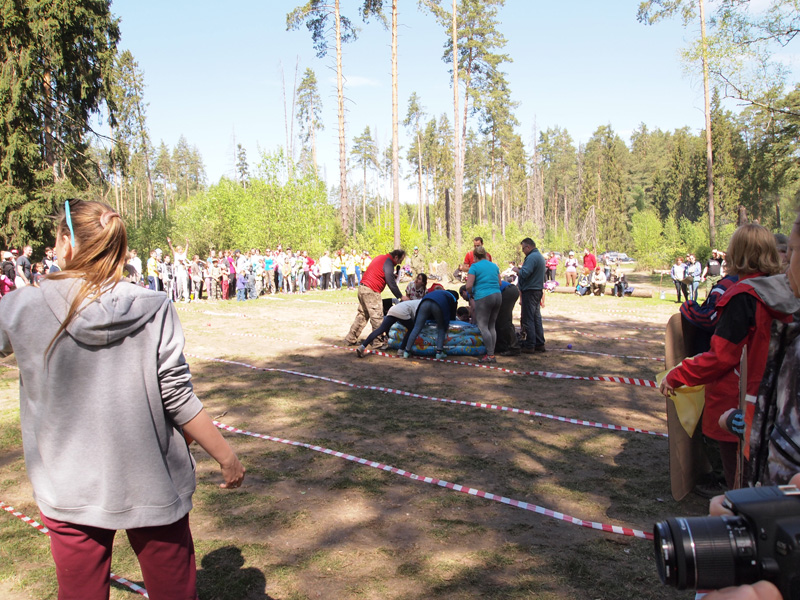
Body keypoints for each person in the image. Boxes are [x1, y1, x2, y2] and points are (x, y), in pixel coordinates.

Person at [0, 199, 245, 599]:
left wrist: (226, 457)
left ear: (65, 242)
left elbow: (176, 394)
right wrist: (227, 457)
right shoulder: (154, 306)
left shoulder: (21, 307)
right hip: (149, 480)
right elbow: (178, 396)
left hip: (69, 485)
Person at [660, 223, 797, 488]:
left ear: (736, 253)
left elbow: (722, 356)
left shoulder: (742, 297)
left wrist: (678, 374)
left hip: (740, 404)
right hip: (776, 403)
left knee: (741, 484)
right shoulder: (786, 291)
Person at [344, 249, 406, 347]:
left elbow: (380, 273)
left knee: (362, 315)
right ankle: (378, 342)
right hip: (371, 291)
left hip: (362, 288)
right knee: (377, 317)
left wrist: (390, 275)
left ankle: (350, 338)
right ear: (396, 257)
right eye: (400, 261)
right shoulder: (389, 263)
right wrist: (400, 296)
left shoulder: (381, 258)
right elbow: (391, 283)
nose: (400, 263)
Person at [466, 245, 502, 363]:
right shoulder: (494, 265)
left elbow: (469, 285)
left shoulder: (474, 266)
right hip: (497, 295)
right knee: (492, 325)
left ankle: (490, 355)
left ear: (475, 256)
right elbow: (500, 283)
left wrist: (471, 294)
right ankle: (491, 353)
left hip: (483, 297)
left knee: (483, 326)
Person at [403, 288, 459, 360]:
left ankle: (406, 351)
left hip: (425, 301)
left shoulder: (440, 292)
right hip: (438, 304)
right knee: (441, 328)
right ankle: (439, 353)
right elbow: (452, 315)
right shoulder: (453, 298)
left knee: (417, 327)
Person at [356, 299, 422, 358]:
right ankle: (401, 350)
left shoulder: (415, 301)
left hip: (393, 310)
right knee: (411, 329)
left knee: (380, 329)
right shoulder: (421, 304)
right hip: (403, 312)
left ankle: (362, 346)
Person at [514, 237, 546, 353]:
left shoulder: (532, 257)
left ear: (528, 247)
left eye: (523, 249)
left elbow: (525, 273)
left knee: (529, 318)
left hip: (530, 291)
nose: (523, 251)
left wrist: (517, 270)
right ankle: (539, 342)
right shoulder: (539, 256)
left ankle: (530, 344)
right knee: (536, 317)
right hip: (537, 290)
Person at [495, 280, 521, 356]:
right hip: (509, 289)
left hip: (508, 291)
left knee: (504, 321)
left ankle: (514, 347)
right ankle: (502, 345)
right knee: (499, 319)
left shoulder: (470, 291)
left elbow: (474, 309)